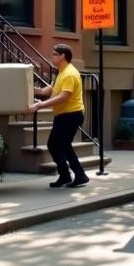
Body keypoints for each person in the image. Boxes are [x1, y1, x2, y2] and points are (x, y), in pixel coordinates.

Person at [29, 44, 89, 189]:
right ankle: (66, 176)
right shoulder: (61, 72)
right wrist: (29, 89)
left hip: (71, 114)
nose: (52, 56)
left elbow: (63, 97)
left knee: (62, 145)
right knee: (55, 145)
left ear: (62, 56)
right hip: (63, 115)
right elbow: (47, 91)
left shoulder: (69, 73)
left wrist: (39, 106)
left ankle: (79, 175)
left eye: (55, 54)